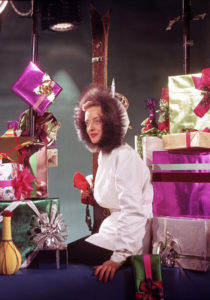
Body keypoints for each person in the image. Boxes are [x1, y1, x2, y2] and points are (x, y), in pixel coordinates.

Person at [68, 84, 153, 283]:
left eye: (97, 120)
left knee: (59, 258)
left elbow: (133, 212)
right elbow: (114, 186)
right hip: (112, 232)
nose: (91, 127)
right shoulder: (106, 154)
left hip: (130, 239)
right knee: (58, 255)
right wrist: (94, 183)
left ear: (112, 121)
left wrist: (118, 259)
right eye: (87, 122)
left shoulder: (125, 157)